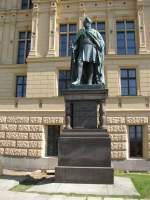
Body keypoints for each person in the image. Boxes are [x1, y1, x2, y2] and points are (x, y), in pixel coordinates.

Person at [71, 16, 105, 86]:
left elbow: (101, 41)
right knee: (79, 62)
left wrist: (99, 45)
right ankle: (78, 80)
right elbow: (77, 42)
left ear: (90, 23)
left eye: (87, 22)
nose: (86, 24)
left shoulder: (95, 32)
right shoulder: (81, 31)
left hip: (91, 48)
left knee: (91, 64)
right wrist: (74, 47)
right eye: (85, 22)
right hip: (82, 48)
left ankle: (90, 82)